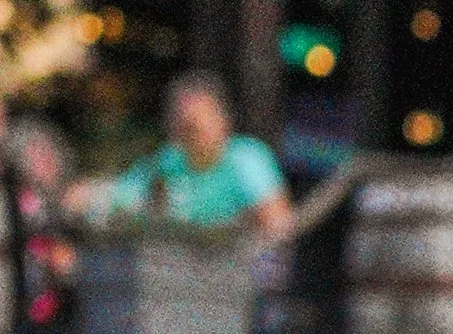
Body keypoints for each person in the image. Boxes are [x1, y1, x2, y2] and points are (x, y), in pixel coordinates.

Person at [75, 74, 291, 238]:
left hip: (236, 276)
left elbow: (277, 224)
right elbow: (121, 195)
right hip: (176, 278)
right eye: (185, 126)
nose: (192, 133)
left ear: (223, 121)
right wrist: (88, 194)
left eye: (199, 124)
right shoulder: (169, 162)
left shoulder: (246, 158)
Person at [8, 114, 84, 334]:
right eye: (36, 157)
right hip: (31, 312)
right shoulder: (22, 205)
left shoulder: (65, 204)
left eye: (49, 155)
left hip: (63, 310)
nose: (45, 163)